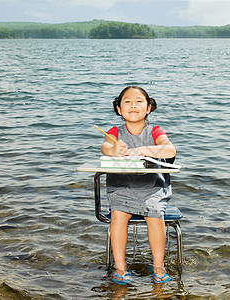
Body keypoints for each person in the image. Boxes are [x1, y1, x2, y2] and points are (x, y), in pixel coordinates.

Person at [100, 86, 176, 285]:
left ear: (149, 107)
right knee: (118, 214)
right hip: (121, 187)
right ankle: (120, 267)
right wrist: (114, 148)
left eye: (139, 101)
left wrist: (144, 150)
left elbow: (169, 150)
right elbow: (105, 147)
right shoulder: (115, 131)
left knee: (154, 213)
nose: (133, 104)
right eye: (127, 101)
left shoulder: (155, 131)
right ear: (118, 109)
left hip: (152, 187)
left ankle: (158, 266)